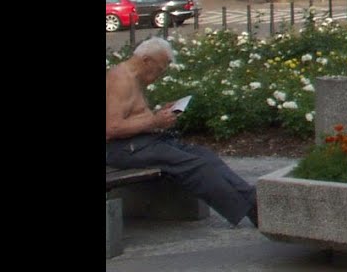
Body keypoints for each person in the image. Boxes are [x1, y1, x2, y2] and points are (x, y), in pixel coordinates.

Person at [106, 38, 258, 228]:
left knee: (205, 156)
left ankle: (253, 200)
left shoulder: (134, 78)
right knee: (194, 165)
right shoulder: (120, 80)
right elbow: (111, 128)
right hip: (121, 149)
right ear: (146, 60)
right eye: (159, 69)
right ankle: (250, 210)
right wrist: (154, 121)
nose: (160, 75)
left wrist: (160, 116)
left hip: (141, 142)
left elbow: (133, 117)